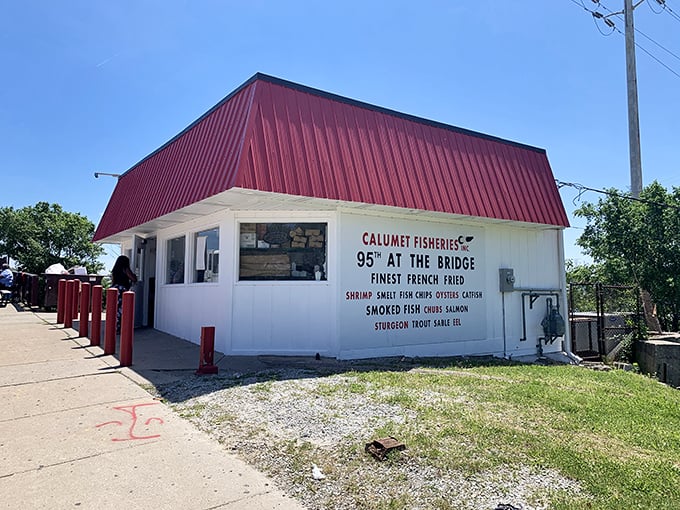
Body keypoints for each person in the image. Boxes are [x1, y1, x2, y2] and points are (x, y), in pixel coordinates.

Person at [111, 255, 137, 331]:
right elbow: (133, 278)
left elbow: (113, 281)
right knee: (122, 310)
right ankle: (121, 328)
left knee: (114, 310)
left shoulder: (114, 270)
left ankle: (113, 327)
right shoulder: (125, 269)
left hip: (114, 290)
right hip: (122, 289)